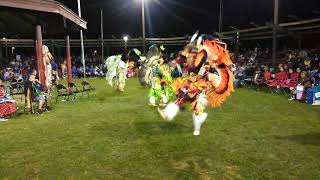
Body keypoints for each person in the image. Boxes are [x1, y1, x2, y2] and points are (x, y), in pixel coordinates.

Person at [158, 34, 234, 136]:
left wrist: (198, 76)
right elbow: (177, 61)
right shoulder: (188, 54)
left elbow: (205, 69)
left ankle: (197, 127)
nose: (190, 55)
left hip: (201, 85)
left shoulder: (203, 56)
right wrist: (168, 66)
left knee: (197, 108)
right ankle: (168, 113)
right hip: (190, 82)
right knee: (180, 98)